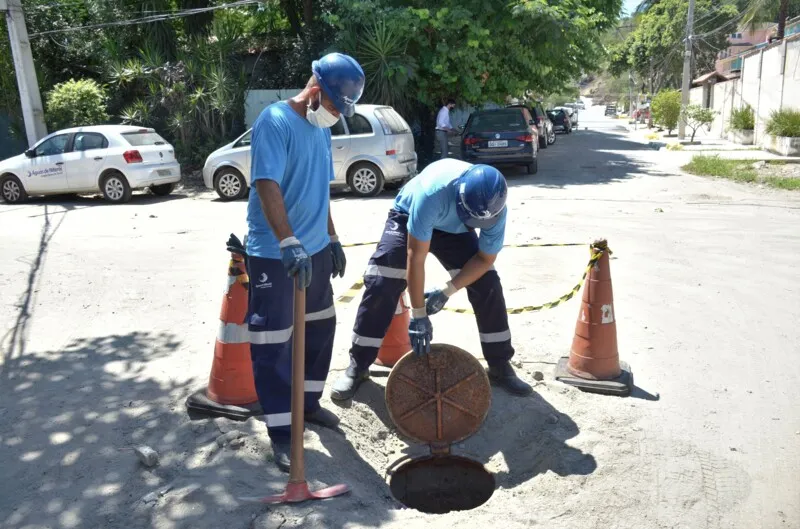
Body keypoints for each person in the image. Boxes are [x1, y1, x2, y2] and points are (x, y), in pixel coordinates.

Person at [245, 52, 365, 472]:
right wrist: (288, 240)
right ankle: (281, 431)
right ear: (315, 91)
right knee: (272, 342)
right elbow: (266, 184)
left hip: (312, 249)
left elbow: (320, 188)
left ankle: (308, 405)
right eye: (334, 106)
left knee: (320, 326)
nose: (336, 115)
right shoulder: (275, 122)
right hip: (274, 253)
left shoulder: (321, 131)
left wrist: (330, 236)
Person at [330, 159, 533, 401]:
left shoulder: (495, 211)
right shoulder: (433, 193)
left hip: (454, 229)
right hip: (408, 216)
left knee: (486, 283)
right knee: (384, 279)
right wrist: (418, 316)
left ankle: (499, 364)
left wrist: (448, 290)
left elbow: (484, 260)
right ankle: (359, 365)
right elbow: (415, 258)